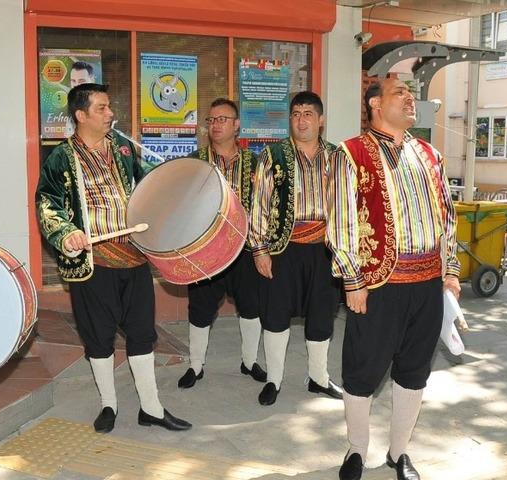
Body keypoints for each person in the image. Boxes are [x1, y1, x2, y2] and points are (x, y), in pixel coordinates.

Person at [35, 83, 191, 434]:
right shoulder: (61, 158)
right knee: (98, 337)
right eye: (102, 108)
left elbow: (147, 187)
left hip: (134, 257)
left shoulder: (122, 148)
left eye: (109, 107)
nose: (110, 114)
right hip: (94, 263)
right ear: (81, 115)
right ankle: (109, 403)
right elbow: (47, 203)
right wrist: (65, 233)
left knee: (141, 333)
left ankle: (151, 407)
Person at [328, 78, 461, 480]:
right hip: (378, 284)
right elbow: (341, 222)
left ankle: (398, 453)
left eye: (410, 93)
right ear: (374, 103)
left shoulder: (430, 153)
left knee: (415, 370)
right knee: (362, 370)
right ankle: (356, 449)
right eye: (399, 92)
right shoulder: (350, 153)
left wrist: (450, 271)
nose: (409, 98)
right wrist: (352, 280)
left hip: (426, 285)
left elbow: (447, 217)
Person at [248, 91, 344, 406]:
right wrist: (259, 249)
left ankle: (318, 378)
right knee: (276, 316)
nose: (300, 120)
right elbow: (258, 204)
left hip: (326, 251)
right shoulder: (272, 155)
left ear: (321, 120)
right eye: (295, 114)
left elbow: (348, 204)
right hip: (282, 250)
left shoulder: (337, 156)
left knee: (322, 316)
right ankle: (274, 380)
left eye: (307, 114)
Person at [177, 98, 266, 389]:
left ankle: (250, 361)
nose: (215, 125)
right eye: (211, 120)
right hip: (206, 251)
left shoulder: (256, 162)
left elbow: (266, 204)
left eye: (222, 119)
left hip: (244, 248)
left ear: (237, 125)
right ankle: (195, 365)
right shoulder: (194, 162)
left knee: (252, 306)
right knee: (200, 308)